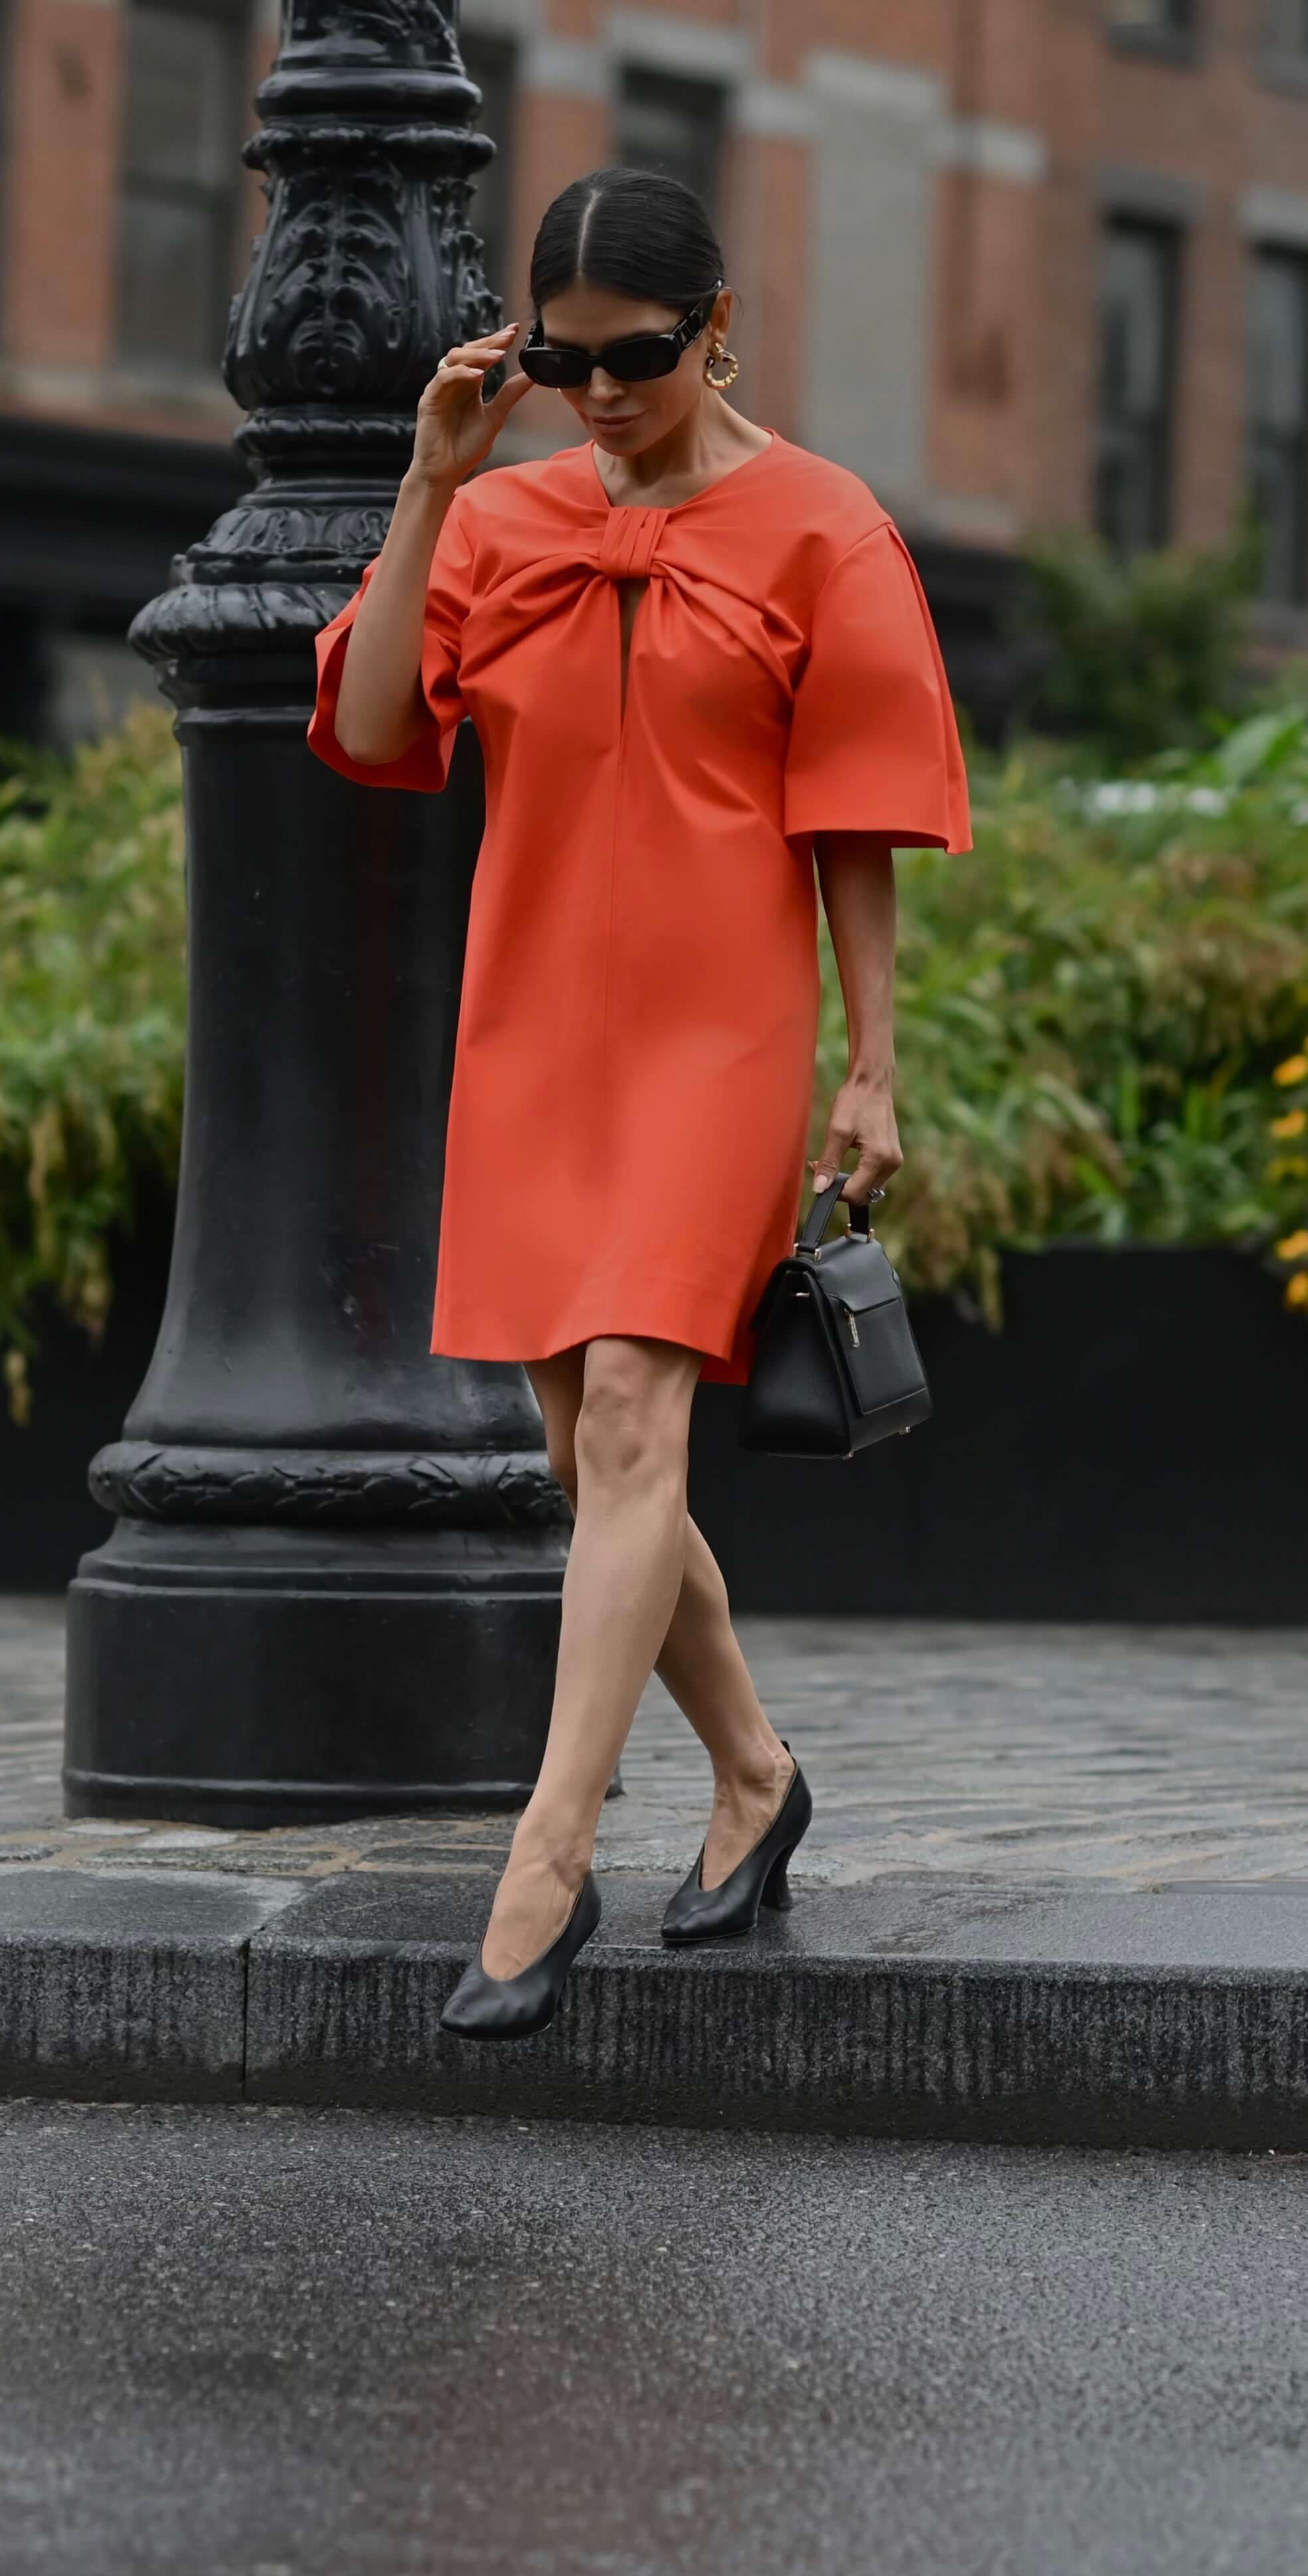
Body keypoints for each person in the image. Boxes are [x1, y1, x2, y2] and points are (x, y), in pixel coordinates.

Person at [309, 165, 971, 2042]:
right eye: (566, 362)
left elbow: (858, 823)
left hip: (720, 1035)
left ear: (722, 329)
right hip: (532, 1028)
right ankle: (757, 1776)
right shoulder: (503, 509)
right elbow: (368, 730)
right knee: (580, 1445)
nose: (600, 395)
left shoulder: (827, 529)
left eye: (641, 358)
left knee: (627, 1409)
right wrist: (435, 476)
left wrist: (873, 1060)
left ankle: (544, 1858)